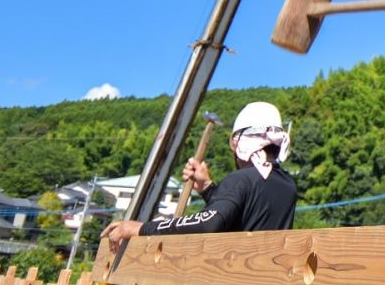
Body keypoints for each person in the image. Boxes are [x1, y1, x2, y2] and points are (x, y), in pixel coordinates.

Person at [102, 102, 296, 249]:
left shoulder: (241, 179)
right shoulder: (288, 185)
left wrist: (140, 228)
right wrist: (207, 188)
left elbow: (208, 223)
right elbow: (241, 215)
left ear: (238, 144)